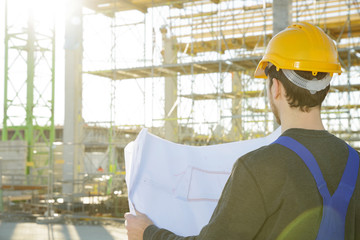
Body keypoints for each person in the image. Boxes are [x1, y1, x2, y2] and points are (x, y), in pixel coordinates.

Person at [125, 22, 360, 240]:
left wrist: (147, 233)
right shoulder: (355, 163)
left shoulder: (259, 167)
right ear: (326, 87)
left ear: (275, 87)